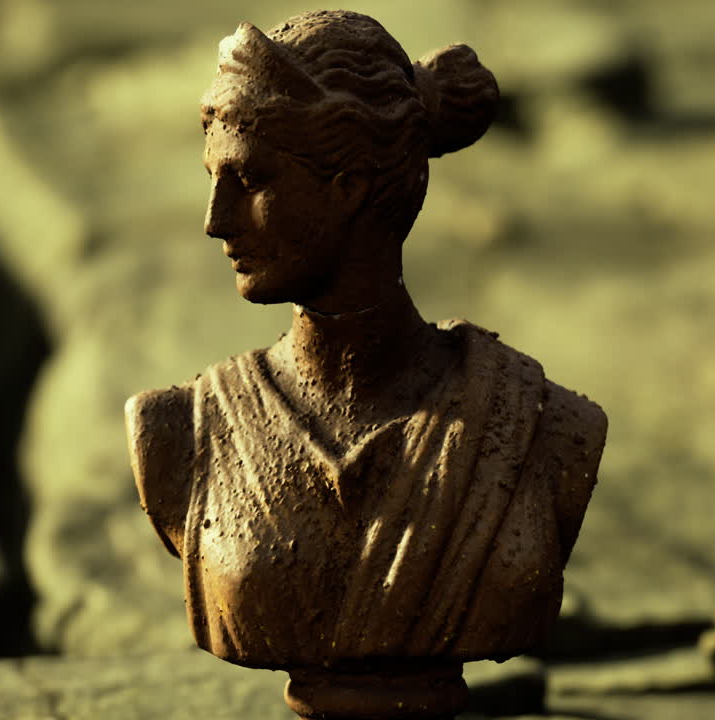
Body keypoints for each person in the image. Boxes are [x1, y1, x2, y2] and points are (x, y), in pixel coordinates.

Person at [126, 10, 606, 675]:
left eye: (250, 180)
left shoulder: (545, 430)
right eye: (213, 182)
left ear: (348, 187)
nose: (216, 221)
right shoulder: (177, 432)